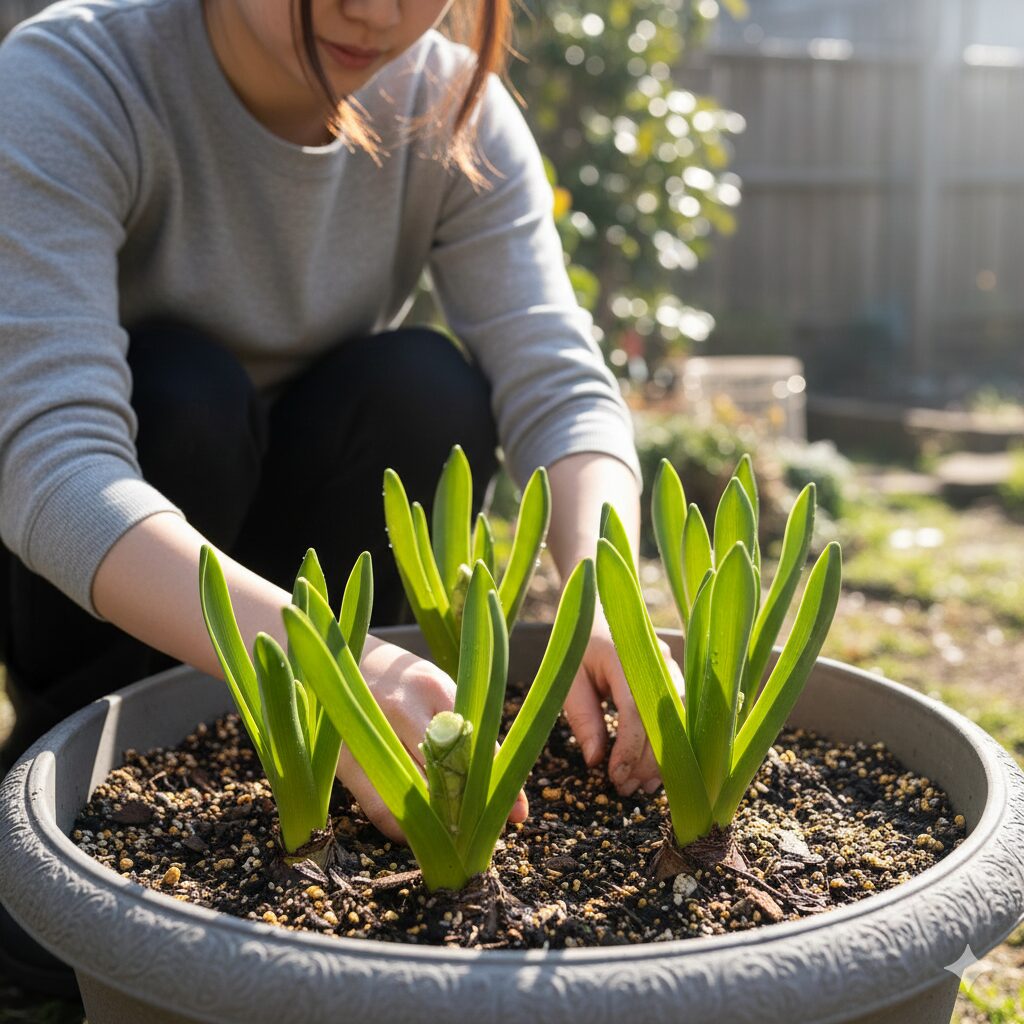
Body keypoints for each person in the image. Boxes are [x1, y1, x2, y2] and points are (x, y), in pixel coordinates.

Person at [0, 0, 665, 846]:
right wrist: (331, 668)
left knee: (421, 388)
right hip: (124, 596)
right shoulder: (79, 76)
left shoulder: (448, 104)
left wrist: (607, 604)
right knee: (183, 392)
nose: (376, 10)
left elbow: (561, 386)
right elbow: (51, 466)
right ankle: (72, 778)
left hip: (304, 573)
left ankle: (320, 763)